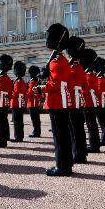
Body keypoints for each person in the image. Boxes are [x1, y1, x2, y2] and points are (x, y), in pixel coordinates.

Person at [35, 23, 73, 177]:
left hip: (57, 102)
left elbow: (55, 84)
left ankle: (62, 167)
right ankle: (66, 164)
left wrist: (40, 88)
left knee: (60, 136)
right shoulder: (61, 59)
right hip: (62, 101)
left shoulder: (56, 60)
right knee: (63, 135)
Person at [66, 36, 89, 163]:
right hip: (79, 100)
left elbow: (67, 85)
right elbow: (84, 86)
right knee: (79, 128)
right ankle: (82, 152)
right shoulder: (80, 68)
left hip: (71, 101)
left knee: (74, 129)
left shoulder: (72, 68)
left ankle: (78, 155)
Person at [80, 48, 101, 153]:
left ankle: (94, 146)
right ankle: (95, 144)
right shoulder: (92, 74)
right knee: (92, 124)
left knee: (91, 124)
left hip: (88, 102)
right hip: (91, 101)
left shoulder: (88, 75)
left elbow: (85, 89)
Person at [92, 57, 105, 145]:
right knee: (102, 122)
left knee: (103, 122)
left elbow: (100, 92)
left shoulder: (102, 79)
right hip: (99, 102)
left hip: (101, 103)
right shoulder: (99, 78)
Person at [11, 61, 27, 142]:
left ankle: (18, 137)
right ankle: (20, 136)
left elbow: (15, 94)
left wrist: (9, 93)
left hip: (16, 103)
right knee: (20, 121)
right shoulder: (22, 81)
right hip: (21, 103)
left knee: (17, 121)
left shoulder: (17, 82)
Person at [26, 65, 42, 138]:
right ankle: (37, 131)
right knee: (36, 118)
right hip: (34, 101)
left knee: (34, 118)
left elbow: (30, 92)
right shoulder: (36, 80)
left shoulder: (33, 81)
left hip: (33, 102)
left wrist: (25, 93)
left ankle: (36, 132)